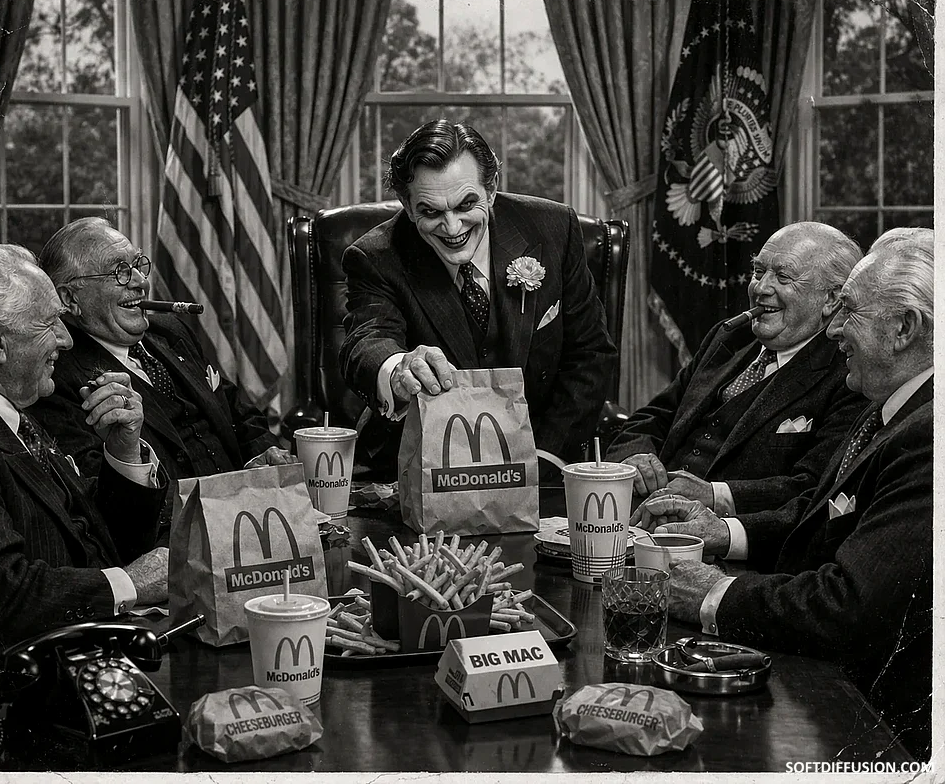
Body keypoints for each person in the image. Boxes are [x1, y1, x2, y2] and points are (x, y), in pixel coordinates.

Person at [634, 227, 933, 760]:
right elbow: (820, 519)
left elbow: (849, 608)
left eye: (849, 312)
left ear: (904, 328)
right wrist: (723, 533)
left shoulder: (926, 434)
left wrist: (714, 594)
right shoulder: (889, 400)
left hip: (870, 717)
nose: (833, 329)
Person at [339, 119, 615, 481]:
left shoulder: (554, 228)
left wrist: (543, 460)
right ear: (407, 204)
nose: (452, 228)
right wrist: (398, 370)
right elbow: (366, 341)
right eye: (431, 212)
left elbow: (590, 354)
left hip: (540, 459)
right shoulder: (375, 256)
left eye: (466, 205)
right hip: (414, 471)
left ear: (492, 189)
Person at [0, 244, 169, 655]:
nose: (67, 339)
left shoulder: (11, 409)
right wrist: (132, 584)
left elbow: (91, 532)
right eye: (50, 322)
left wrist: (124, 453)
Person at [31, 217, 294, 530]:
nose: (140, 281)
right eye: (119, 271)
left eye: (138, 265)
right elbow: (103, 498)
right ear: (70, 299)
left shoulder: (172, 332)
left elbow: (238, 412)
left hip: (253, 519)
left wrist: (264, 459)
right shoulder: (57, 379)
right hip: (175, 539)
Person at [606, 221, 867, 525]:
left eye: (783, 277)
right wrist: (633, 460)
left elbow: (811, 488)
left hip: (722, 538)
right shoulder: (730, 337)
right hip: (639, 517)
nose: (760, 288)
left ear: (831, 299)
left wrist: (714, 495)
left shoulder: (849, 373)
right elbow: (653, 417)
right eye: (758, 271)